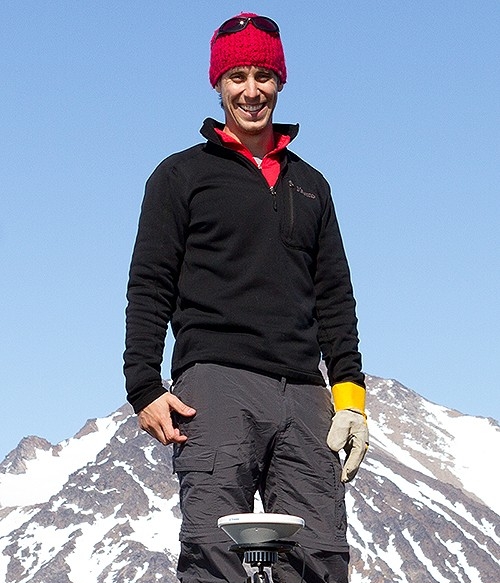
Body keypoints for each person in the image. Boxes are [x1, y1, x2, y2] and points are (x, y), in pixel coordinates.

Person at [124, 13, 369, 583]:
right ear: (218, 84)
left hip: (306, 396)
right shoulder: (180, 175)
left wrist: (351, 397)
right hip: (215, 386)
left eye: (264, 75)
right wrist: (143, 388)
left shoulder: (311, 184)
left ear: (280, 82)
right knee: (217, 557)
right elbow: (149, 283)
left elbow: (335, 296)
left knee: (322, 557)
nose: (251, 90)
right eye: (237, 76)